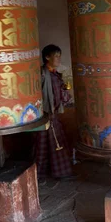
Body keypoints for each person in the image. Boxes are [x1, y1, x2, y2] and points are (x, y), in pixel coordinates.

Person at [33, 44, 76, 181]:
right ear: (47, 57)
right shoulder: (42, 75)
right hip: (45, 115)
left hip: (54, 115)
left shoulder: (56, 75)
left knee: (54, 143)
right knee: (45, 145)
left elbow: (62, 94)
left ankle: (51, 173)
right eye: (56, 56)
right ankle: (43, 175)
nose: (58, 59)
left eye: (59, 56)